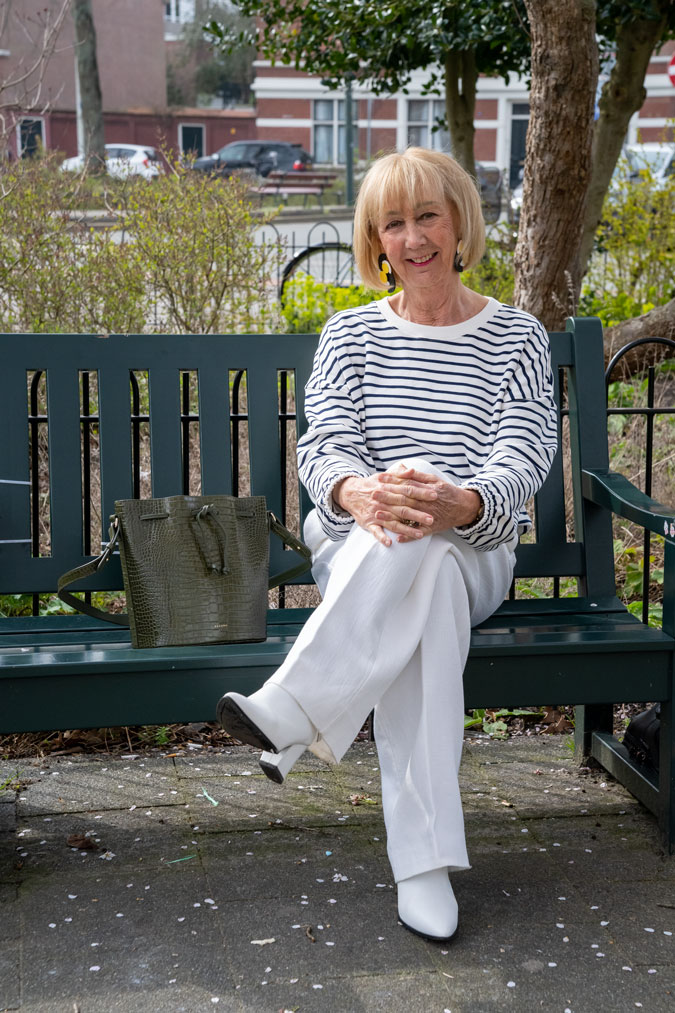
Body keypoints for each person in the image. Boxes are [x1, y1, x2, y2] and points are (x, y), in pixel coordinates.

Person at [217, 147, 558, 942]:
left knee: (432, 545)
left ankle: (294, 706)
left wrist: (459, 500)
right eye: (392, 223)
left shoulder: (515, 338)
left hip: (473, 546)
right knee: (416, 564)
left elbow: (523, 452)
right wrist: (358, 491)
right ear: (375, 240)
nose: (412, 238)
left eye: (427, 216)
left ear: (459, 222)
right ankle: (422, 865)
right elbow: (324, 447)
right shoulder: (350, 334)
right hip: (358, 544)